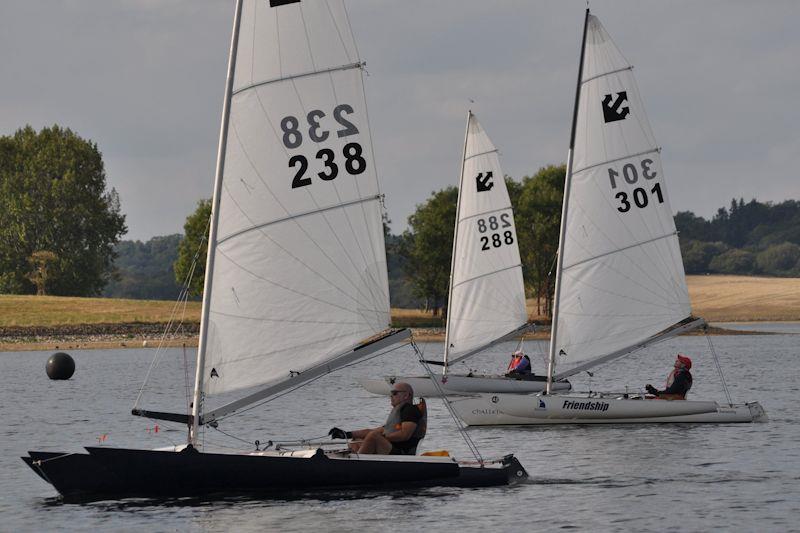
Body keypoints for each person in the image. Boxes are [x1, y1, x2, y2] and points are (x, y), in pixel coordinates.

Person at [328, 382, 424, 455]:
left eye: (394, 393)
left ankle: (356, 463)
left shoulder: (409, 410)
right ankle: (353, 458)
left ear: (406, 395)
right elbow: (374, 431)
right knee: (357, 439)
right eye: (391, 393)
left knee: (373, 436)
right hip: (390, 448)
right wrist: (347, 434)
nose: (391, 396)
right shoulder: (399, 413)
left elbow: (405, 435)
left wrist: (382, 437)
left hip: (401, 453)